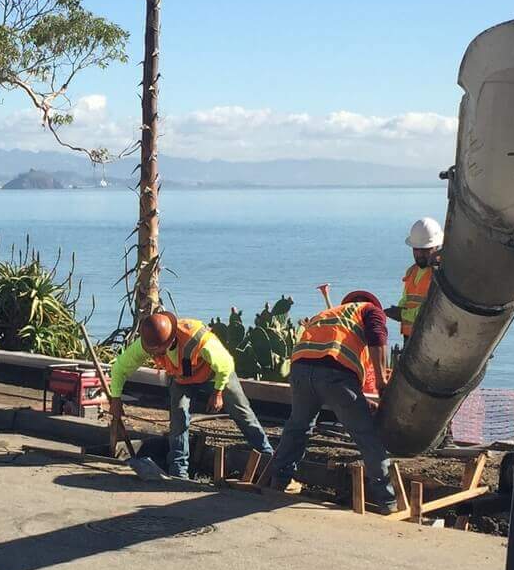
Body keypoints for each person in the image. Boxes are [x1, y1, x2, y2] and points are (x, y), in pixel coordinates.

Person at [265, 289, 399, 510]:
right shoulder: (370, 310)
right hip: (334, 374)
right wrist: (382, 382)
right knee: (367, 436)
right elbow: (377, 338)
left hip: (300, 370)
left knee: (298, 428)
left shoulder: (329, 315)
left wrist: (362, 402)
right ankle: (388, 501)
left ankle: (278, 482)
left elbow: (333, 377)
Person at [107, 310, 274, 482]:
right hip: (182, 378)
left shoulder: (197, 339)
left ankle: (268, 457)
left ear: (170, 340)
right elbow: (120, 369)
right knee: (178, 417)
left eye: (159, 351)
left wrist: (217, 392)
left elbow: (225, 363)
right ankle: (179, 471)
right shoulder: (147, 343)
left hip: (213, 374)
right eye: (152, 351)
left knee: (241, 411)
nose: (155, 355)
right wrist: (116, 399)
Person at [389, 217, 442, 345]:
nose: (419, 255)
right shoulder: (412, 272)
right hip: (410, 337)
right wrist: (399, 308)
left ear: (437, 247)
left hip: (430, 340)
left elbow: (433, 310)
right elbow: (406, 299)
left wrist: (402, 314)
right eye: (416, 249)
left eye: (424, 250)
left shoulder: (441, 275)